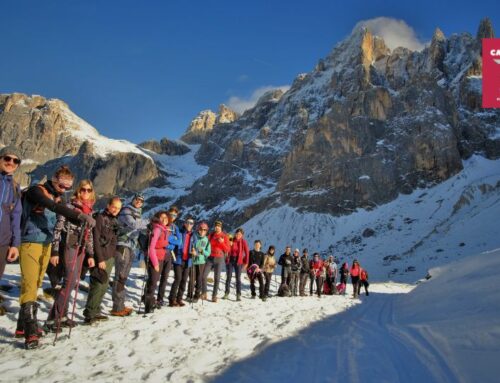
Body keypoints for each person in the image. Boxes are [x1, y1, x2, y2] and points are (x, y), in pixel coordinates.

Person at [16, 165, 96, 349]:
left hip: (45, 243)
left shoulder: (58, 197)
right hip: (30, 242)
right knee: (29, 284)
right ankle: (30, 332)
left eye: (68, 186)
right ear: (54, 179)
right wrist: (79, 215)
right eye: (62, 184)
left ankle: (21, 327)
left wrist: (81, 220)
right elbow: (53, 207)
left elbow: (60, 213)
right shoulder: (37, 191)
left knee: (35, 283)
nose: (64, 188)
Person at [44, 180, 96, 332]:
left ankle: (63, 316)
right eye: (83, 189)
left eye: (88, 190)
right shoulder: (69, 207)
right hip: (69, 246)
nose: (85, 192)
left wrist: (91, 254)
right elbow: (58, 229)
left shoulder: (89, 211)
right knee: (69, 282)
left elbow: (90, 234)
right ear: (78, 191)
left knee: (72, 283)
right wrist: (54, 251)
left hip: (81, 248)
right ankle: (53, 318)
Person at [83, 197, 122, 324]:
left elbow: (114, 239)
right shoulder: (100, 217)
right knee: (97, 284)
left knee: (104, 285)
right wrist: (99, 259)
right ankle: (89, 313)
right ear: (108, 205)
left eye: (119, 208)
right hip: (100, 257)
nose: (116, 210)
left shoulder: (114, 220)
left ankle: (96, 310)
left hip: (109, 257)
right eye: (114, 207)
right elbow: (95, 239)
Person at [111, 193, 146, 316]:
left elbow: (140, 229)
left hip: (131, 247)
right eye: (137, 199)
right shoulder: (126, 210)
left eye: (141, 201)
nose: (139, 202)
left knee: (124, 276)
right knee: (120, 276)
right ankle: (117, 307)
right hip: (122, 245)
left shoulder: (138, 213)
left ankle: (120, 305)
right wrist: (149, 223)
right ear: (133, 199)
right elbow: (134, 224)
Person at [0, 146, 22, 315]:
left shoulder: (15, 187)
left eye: (15, 161)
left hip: (3, 241)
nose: (11, 162)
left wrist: (15, 244)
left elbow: (16, 216)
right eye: (7, 158)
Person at [144, 211, 170, 313]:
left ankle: (149, 302)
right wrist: (155, 263)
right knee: (153, 283)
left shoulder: (162, 229)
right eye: (162, 217)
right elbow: (151, 248)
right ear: (158, 218)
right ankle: (148, 307)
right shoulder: (157, 229)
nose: (164, 219)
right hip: (155, 259)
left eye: (166, 218)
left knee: (153, 282)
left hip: (160, 258)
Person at [156, 206, 182, 307]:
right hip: (160, 252)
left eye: (175, 215)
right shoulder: (163, 224)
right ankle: (147, 296)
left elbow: (179, 241)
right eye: (171, 214)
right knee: (155, 277)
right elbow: (162, 240)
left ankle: (160, 298)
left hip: (169, 254)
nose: (172, 216)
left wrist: (169, 241)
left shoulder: (175, 227)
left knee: (165, 277)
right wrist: (172, 240)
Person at [169, 215, 196, 307]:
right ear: (184, 223)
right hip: (178, 259)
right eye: (188, 222)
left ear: (193, 225)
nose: (189, 224)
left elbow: (195, 247)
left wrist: (194, 251)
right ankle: (172, 300)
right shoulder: (179, 232)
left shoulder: (193, 235)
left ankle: (179, 299)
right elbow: (173, 240)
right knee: (178, 279)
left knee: (184, 280)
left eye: (191, 223)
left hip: (188, 260)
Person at [202, 220, 230, 303]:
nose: (217, 227)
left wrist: (221, 243)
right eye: (216, 226)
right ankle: (204, 292)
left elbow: (228, 249)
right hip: (210, 257)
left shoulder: (224, 236)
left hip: (219, 258)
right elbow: (206, 244)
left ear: (221, 227)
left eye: (218, 226)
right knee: (203, 276)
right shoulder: (211, 235)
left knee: (217, 278)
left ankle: (214, 296)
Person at [187, 222, 211, 303]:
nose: (202, 231)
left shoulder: (207, 240)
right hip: (193, 261)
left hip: (201, 262)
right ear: (198, 229)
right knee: (191, 279)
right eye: (201, 229)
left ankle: (196, 296)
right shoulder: (194, 237)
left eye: (204, 230)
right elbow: (190, 246)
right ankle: (189, 295)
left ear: (206, 231)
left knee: (199, 279)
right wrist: (192, 251)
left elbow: (208, 253)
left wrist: (203, 251)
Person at [223, 228, 249, 301]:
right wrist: (229, 244)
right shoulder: (231, 239)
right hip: (230, 260)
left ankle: (238, 294)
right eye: (237, 234)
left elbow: (247, 253)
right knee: (228, 277)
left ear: (242, 235)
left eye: (240, 234)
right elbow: (226, 248)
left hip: (238, 261)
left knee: (238, 278)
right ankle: (226, 293)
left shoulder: (243, 242)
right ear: (235, 234)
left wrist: (246, 263)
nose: (238, 235)